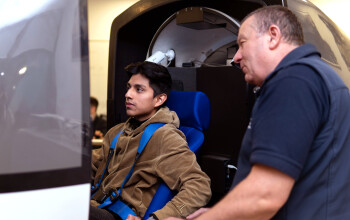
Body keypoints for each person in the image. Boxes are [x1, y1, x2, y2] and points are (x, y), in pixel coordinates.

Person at [165, 5, 350, 220]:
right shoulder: (317, 75)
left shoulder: (293, 81)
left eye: (242, 44)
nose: (237, 57)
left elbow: (264, 196)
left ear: (273, 36)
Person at [90, 61, 211, 220]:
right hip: (96, 205)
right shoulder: (116, 132)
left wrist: (155, 218)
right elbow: (92, 164)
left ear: (159, 99)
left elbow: (199, 186)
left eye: (139, 89)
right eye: (129, 87)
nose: (128, 94)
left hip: (118, 215)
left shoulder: (165, 136)